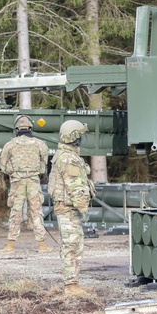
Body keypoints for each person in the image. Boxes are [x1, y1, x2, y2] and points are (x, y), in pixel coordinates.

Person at [49, 120, 95, 297]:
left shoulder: (67, 155)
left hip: (68, 207)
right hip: (69, 208)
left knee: (74, 244)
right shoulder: (68, 158)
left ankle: (73, 282)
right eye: (80, 135)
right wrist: (83, 208)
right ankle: (71, 285)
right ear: (74, 137)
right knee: (71, 245)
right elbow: (74, 186)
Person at [0, 115, 52, 254]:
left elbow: (3, 163)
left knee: (15, 213)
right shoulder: (40, 144)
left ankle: (10, 246)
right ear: (30, 127)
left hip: (17, 181)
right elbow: (44, 162)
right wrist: (36, 172)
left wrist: (13, 171)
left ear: (17, 128)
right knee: (36, 212)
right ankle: (42, 245)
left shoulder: (10, 144)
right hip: (33, 181)